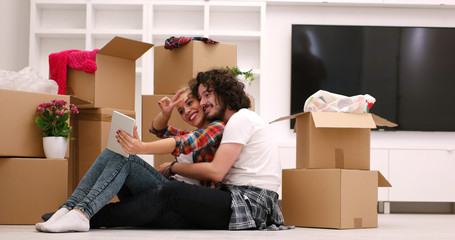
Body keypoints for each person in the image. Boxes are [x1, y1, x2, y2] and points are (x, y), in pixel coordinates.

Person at [83, 69, 289, 230]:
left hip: (249, 203)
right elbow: (162, 131)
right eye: (201, 98)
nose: (204, 103)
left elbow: (216, 171)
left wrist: (172, 167)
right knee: (146, 185)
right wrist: (165, 116)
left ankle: (90, 215)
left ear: (224, 91)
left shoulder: (240, 119)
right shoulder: (227, 125)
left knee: (172, 191)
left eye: (207, 95)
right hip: (239, 198)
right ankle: (79, 210)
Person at [35, 87, 225, 232]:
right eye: (181, 111)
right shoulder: (193, 131)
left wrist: (167, 162)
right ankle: (70, 208)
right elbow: (159, 130)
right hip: (163, 195)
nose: (187, 112)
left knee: (128, 159)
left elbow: (182, 142)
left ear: (202, 102)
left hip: (182, 207)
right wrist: (166, 113)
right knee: (115, 150)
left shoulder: (216, 128)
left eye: (190, 103)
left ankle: (82, 213)